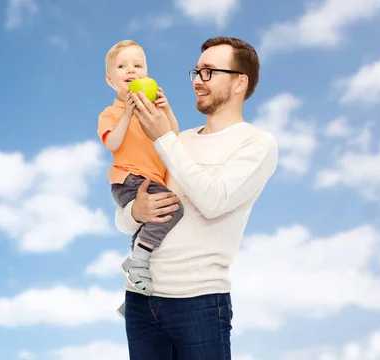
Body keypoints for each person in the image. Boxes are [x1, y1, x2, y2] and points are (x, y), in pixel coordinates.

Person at [115, 37, 279, 359]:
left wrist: (162, 138)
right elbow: (124, 221)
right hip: (139, 298)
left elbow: (214, 200)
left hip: (199, 302)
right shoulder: (179, 140)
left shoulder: (257, 143)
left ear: (239, 83)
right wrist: (137, 210)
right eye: (196, 72)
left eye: (209, 72)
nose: (197, 81)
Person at [97, 40, 184, 316]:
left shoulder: (153, 111)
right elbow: (113, 144)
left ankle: (133, 299)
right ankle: (136, 263)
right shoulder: (110, 113)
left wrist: (165, 108)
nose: (131, 70)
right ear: (111, 80)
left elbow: (173, 135)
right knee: (172, 210)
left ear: (146, 73)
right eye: (122, 66)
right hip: (131, 180)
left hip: (151, 179)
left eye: (137, 65)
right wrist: (128, 113)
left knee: (153, 238)